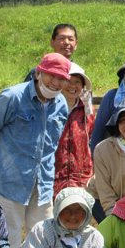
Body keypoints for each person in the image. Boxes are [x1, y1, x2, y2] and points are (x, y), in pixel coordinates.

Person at [0, 52, 70, 248]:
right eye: (50, 76)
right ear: (38, 73)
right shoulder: (13, 98)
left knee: (42, 238)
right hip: (10, 181)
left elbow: (52, 145)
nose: (55, 83)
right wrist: (2, 157)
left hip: (43, 183)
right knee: (7, 239)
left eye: (61, 79)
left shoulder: (61, 104)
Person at [53, 63, 96, 199]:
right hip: (53, 180)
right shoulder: (49, 109)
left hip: (81, 179)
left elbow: (92, 141)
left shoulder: (87, 111)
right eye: (68, 81)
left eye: (77, 81)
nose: (72, 86)